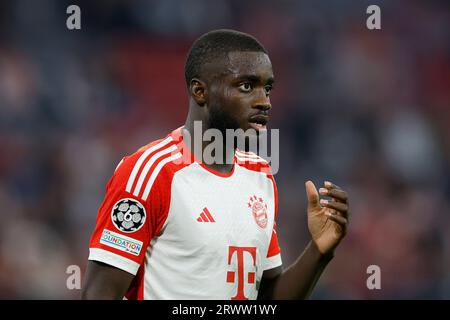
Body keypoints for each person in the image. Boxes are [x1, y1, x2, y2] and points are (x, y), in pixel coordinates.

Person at [81, 29, 349, 300]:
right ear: (200, 91)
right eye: (247, 86)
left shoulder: (260, 175)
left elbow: (266, 299)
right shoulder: (150, 172)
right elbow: (100, 293)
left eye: (267, 88)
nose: (264, 102)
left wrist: (319, 251)